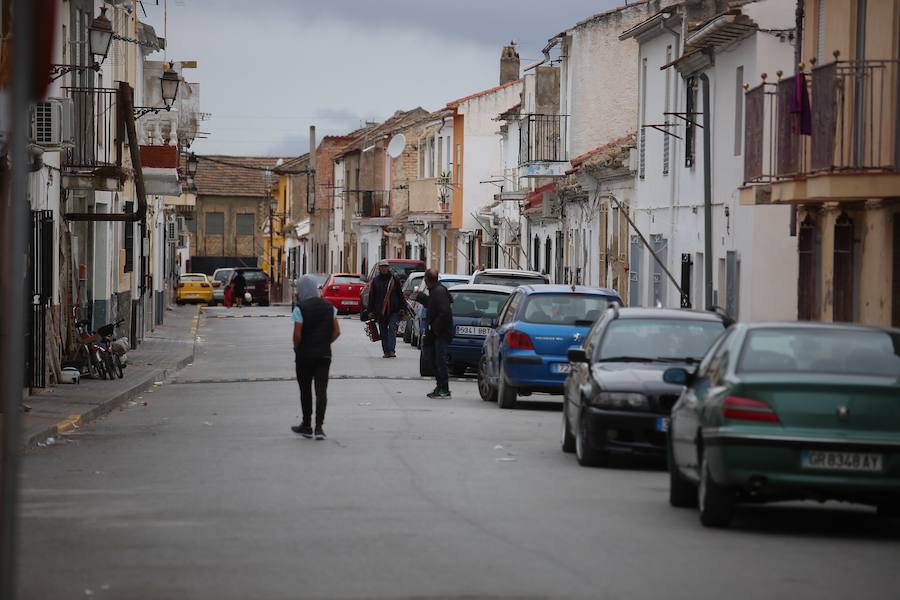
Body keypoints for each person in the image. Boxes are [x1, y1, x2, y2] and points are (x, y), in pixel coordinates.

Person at [291, 275, 340, 440]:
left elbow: (297, 334)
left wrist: (297, 348)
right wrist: (326, 342)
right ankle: (319, 427)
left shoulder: (300, 308)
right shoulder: (329, 307)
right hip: (324, 354)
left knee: (305, 391)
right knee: (321, 391)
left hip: (304, 356)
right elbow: (337, 331)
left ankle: (306, 425)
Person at [416, 268, 453, 399]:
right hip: (436, 333)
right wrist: (421, 297)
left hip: (440, 333)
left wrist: (434, 327)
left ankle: (444, 388)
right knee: (432, 358)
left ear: (426, 280)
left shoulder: (439, 291)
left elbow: (444, 312)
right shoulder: (436, 291)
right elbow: (433, 306)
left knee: (439, 360)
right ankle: (440, 386)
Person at [367, 261, 404, 358]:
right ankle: (386, 351)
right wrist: (370, 311)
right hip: (380, 311)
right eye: (382, 267)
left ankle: (392, 350)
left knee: (392, 328)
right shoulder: (375, 281)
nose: (384, 269)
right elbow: (372, 297)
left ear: (388, 268)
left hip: (393, 309)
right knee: (383, 331)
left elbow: (400, 294)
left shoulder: (394, 279)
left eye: (386, 267)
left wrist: (402, 307)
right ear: (379, 269)